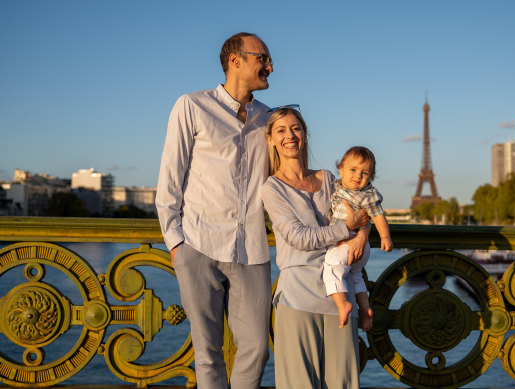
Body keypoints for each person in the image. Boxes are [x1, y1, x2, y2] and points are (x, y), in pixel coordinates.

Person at [155, 32, 274, 389]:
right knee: (207, 353)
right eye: (262, 59)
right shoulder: (191, 106)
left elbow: (291, 178)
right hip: (198, 244)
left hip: (252, 249)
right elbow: (170, 179)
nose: (270, 67)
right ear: (235, 60)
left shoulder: (270, 119)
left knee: (256, 347)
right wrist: (177, 244)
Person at [261, 106, 370, 389]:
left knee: (344, 383)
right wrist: (347, 229)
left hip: (339, 297)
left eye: (296, 128)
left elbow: (363, 210)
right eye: (281, 130)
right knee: (298, 384)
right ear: (271, 139)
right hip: (298, 297)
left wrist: (362, 235)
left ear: (305, 134)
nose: (290, 135)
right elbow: (298, 238)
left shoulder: (329, 179)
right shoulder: (272, 188)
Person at [324, 146, 393, 331]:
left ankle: (343, 304)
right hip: (362, 248)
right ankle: (365, 309)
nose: (358, 176)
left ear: (370, 177)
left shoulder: (368, 195)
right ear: (341, 170)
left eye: (364, 173)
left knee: (331, 268)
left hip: (348, 243)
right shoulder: (338, 186)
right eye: (353, 170)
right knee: (356, 276)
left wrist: (385, 236)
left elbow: (379, 217)